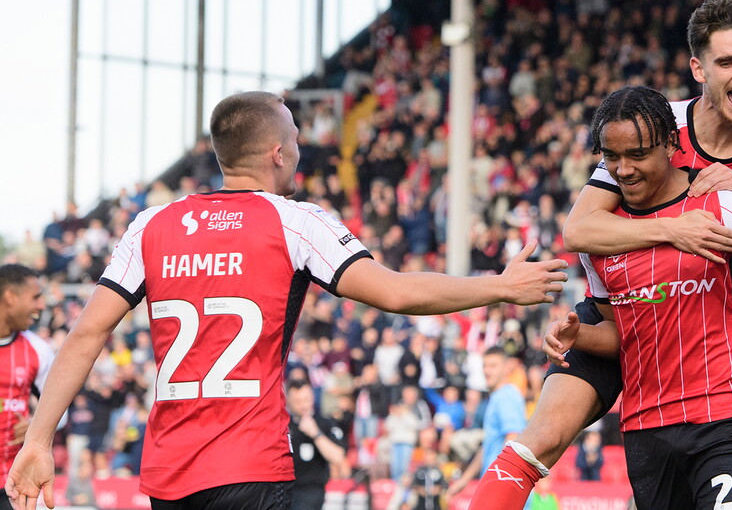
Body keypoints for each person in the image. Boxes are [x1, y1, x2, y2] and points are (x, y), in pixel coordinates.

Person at [5, 91, 568, 510]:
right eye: (296, 139)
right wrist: (499, 285)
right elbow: (395, 291)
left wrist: (39, 440)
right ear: (277, 153)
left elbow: (86, 334)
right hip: (250, 464)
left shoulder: (151, 225)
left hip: (167, 474)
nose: (301, 150)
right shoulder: (295, 222)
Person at [472, 0, 732, 509]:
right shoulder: (648, 125)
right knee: (541, 437)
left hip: (691, 317)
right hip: (620, 304)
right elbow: (580, 230)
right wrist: (674, 229)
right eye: (726, 62)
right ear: (699, 69)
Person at [540, 85, 732, 508]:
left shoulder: (728, 208)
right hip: (646, 434)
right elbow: (624, 336)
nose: (624, 169)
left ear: (670, 145)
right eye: (611, 156)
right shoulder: (600, 240)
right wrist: (579, 336)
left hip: (726, 424)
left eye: (638, 154)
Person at [0, 265, 61, 510]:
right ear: (10, 297)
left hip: (10, 485)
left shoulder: (38, 350)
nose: (41, 305)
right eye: (35, 297)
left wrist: (37, 424)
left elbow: (61, 411)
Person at [447, 346, 528, 498]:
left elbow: (513, 439)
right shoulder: (496, 397)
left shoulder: (507, 396)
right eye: (485, 365)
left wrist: (500, 481)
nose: (487, 371)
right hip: (497, 484)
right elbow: (488, 447)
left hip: (504, 488)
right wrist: (464, 481)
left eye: (493, 366)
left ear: (506, 368)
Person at [285, 378, 346, 510]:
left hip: (312, 491)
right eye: (297, 401)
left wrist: (315, 434)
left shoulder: (325, 423)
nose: (302, 405)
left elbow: (338, 457)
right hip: (285, 490)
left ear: (312, 397)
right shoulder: (283, 425)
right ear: (288, 401)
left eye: (306, 399)